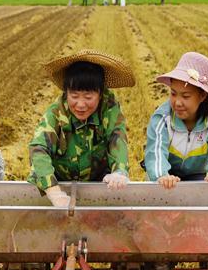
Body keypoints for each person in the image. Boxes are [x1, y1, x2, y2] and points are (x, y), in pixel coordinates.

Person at [28, 50, 135, 206]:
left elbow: (117, 137)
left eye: (88, 97)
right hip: (59, 183)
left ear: (100, 93)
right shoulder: (56, 112)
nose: (80, 105)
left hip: (98, 183)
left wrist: (120, 170)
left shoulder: (109, 108)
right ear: (66, 92)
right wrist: (53, 191)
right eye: (74, 95)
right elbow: (38, 148)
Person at [144, 52, 208, 189]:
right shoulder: (162, 117)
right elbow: (155, 150)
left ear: (202, 96)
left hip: (196, 174)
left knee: (197, 199)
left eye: (185, 96)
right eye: (173, 93)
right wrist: (161, 175)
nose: (177, 102)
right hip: (166, 173)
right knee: (160, 196)